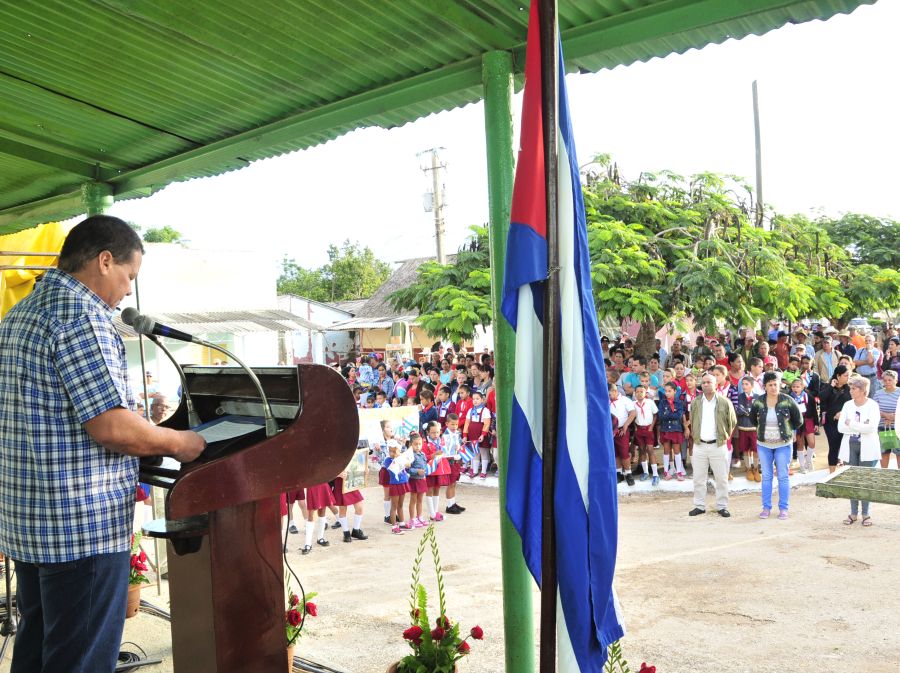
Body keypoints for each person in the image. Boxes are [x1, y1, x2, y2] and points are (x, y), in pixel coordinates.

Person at [0, 215, 206, 673]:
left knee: (35, 650)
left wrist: (146, 431)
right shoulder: (82, 315)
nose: (129, 291)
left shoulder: (21, 313)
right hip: (80, 528)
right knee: (81, 661)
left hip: (31, 522)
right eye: (130, 276)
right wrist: (179, 442)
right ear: (105, 260)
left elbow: (55, 413)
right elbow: (110, 427)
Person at [749, 372, 803, 519]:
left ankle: (783, 508)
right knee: (766, 476)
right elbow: (753, 419)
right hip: (764, 444)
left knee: (783, 476)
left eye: (775, 384)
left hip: (783, 444)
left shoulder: (788, 400)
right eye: (770, 385)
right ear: (764, 386)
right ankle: (766, 508)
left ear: (780, 384)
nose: (773, 387)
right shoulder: (758, 402)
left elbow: (798, 420)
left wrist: (789, 431)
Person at [688, 373, 737, 518]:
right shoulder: (696, 402)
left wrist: (724, 436)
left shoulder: (724, 402)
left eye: (709, 382)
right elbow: (692, 420)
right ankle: (699, 505)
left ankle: (722, 506)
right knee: (698, 478)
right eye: (703, 382)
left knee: (721, 478)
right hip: (700, 445)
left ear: (716, 384)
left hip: (718, 445)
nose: (706, 384)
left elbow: (732, 422)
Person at [838, 377, 881, 526]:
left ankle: (866, 514)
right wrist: (860, 425)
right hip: (850, 446)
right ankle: (853, 513)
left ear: (863, 390)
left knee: (865, 480)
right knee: (853, 480)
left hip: (867, 447)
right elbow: (841, 427)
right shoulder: (847, 405)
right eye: (850, 388)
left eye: (854, 388)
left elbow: (871, 428)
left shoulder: (873, 405)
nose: (850, 391)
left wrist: (851, 423)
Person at [819, 365, 852, 473]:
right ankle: (832, 473)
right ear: (838, 376)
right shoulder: (827, 386)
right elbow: (821, 398)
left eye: (849, 375)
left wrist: (842, 413)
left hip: (845, 421)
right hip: (830, 421)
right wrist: (831, 386)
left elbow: (852, 403)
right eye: (846, 375)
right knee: (834, 446)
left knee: (844, 445)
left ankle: (844, 469)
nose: (848, 377)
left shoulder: (849, 388)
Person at [658, 382, 689, 481]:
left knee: (677, 451)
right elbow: (661, 416)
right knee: (666, 450)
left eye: (669, 391)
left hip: (676, 429)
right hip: (665, 429)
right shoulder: (662, 402)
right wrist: (672, 413)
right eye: (665, 391)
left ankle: (679, 472)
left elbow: (679, 415)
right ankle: (666, 472)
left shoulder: (679, 402)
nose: (667, 393)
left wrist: (668, 414)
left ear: (675, 391)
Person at [789, 378, 819, 473]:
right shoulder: (789, 398)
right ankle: (802, 466)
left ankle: (808, 460)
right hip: (796, 423)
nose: (795, 388)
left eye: (798, 386)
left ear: (802, 387)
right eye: (793, 386)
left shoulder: (809, 397)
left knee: (811, 443)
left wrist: (816, 423)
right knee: (799, 444)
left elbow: (814, 411)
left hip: (808, 421)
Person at [735, 376, 760, 481]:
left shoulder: (758, 397)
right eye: (743, 384)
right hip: (743, 427)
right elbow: (739, 410)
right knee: (745, 449)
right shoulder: (739, 397)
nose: (744, 386)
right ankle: (748, 468)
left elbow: (759, 411)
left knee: (755, 449)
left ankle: (756, 468)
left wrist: (748, 412)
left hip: (754, 428)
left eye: (746, 384)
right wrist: (748, 412)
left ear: (752, 386)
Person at [462, 389, 492, 479]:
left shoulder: (485, 410)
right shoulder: (470, 410)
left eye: (477, 399)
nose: (475, 401)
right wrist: (464, 435)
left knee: (483, 452)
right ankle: (474, 471)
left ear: (482, 400)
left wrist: (483, 435)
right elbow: (467, 424)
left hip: (481, 435)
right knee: (474, 453)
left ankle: (483, 471)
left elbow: (487, 424)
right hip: (472, 434)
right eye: (473, 399)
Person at [632, 385, 659, 485]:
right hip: (639, 429)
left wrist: (651, 427)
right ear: (634, 393)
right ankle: (646, 472)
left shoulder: (650, 402)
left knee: (650, 450)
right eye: (637, 391)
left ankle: (655, 475)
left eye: (641, 391)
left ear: (645, 393)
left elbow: (655, 414)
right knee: (642, 450)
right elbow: (632, 416)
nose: (639, 393)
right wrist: (635, 427)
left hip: (648, 429)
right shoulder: (633, 404)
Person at [382, 441, 410, 534]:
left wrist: (403, 459)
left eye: (395, 451)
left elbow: (408, 464)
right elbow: (393, 468)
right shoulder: (387, 460)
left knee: (400, 505)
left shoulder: (401, 458)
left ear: (399, 451)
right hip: (394, 484)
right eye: (390, 451)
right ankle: (394, 526)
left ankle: (402, 523)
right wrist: (399, 460)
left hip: (403, 483)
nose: (392, 453)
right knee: (394, 506)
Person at [331, 473, 367, 543]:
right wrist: (337, 475)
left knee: (359, 507)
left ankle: (356, 531)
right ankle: (346, 533)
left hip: (351, 482)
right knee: (343, 509)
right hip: (339, 483)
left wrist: (364, 469)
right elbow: (327, 471)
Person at [874, 371, 899, 469]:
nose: (887, 382)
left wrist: (894, 417)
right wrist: (887, 416)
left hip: (897, 429)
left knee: (899, 453)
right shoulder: (878, 393)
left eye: (890, 380)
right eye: (885, 380)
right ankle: (884, 474)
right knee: (884, 452)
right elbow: (874, 409)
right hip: (883, 427)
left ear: (896, 381)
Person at [441, 413, 466, 514]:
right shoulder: (445, 436)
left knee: (454, 483)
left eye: (456, 424)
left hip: (456, 460)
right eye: (452, 424)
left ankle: (453, 502)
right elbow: (443, 449)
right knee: (450, 483)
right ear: (447, 424)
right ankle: (449, 505)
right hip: (450, 461)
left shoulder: (457, 433)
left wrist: (459, 447)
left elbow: (459, 445)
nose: (454, 427)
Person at [406, 433, 428, 527]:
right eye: (416, 444)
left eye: (420, 444)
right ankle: (412, 519)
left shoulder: (423, 454)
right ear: (411, 445)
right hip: (414, 480)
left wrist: (426, 471)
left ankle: (419, 516)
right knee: (413, 500)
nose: (418, 446)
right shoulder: (410, 456)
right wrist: (417, 471)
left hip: (422, 480)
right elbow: (407, 469)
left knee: (420, 500)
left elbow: (425, 466)